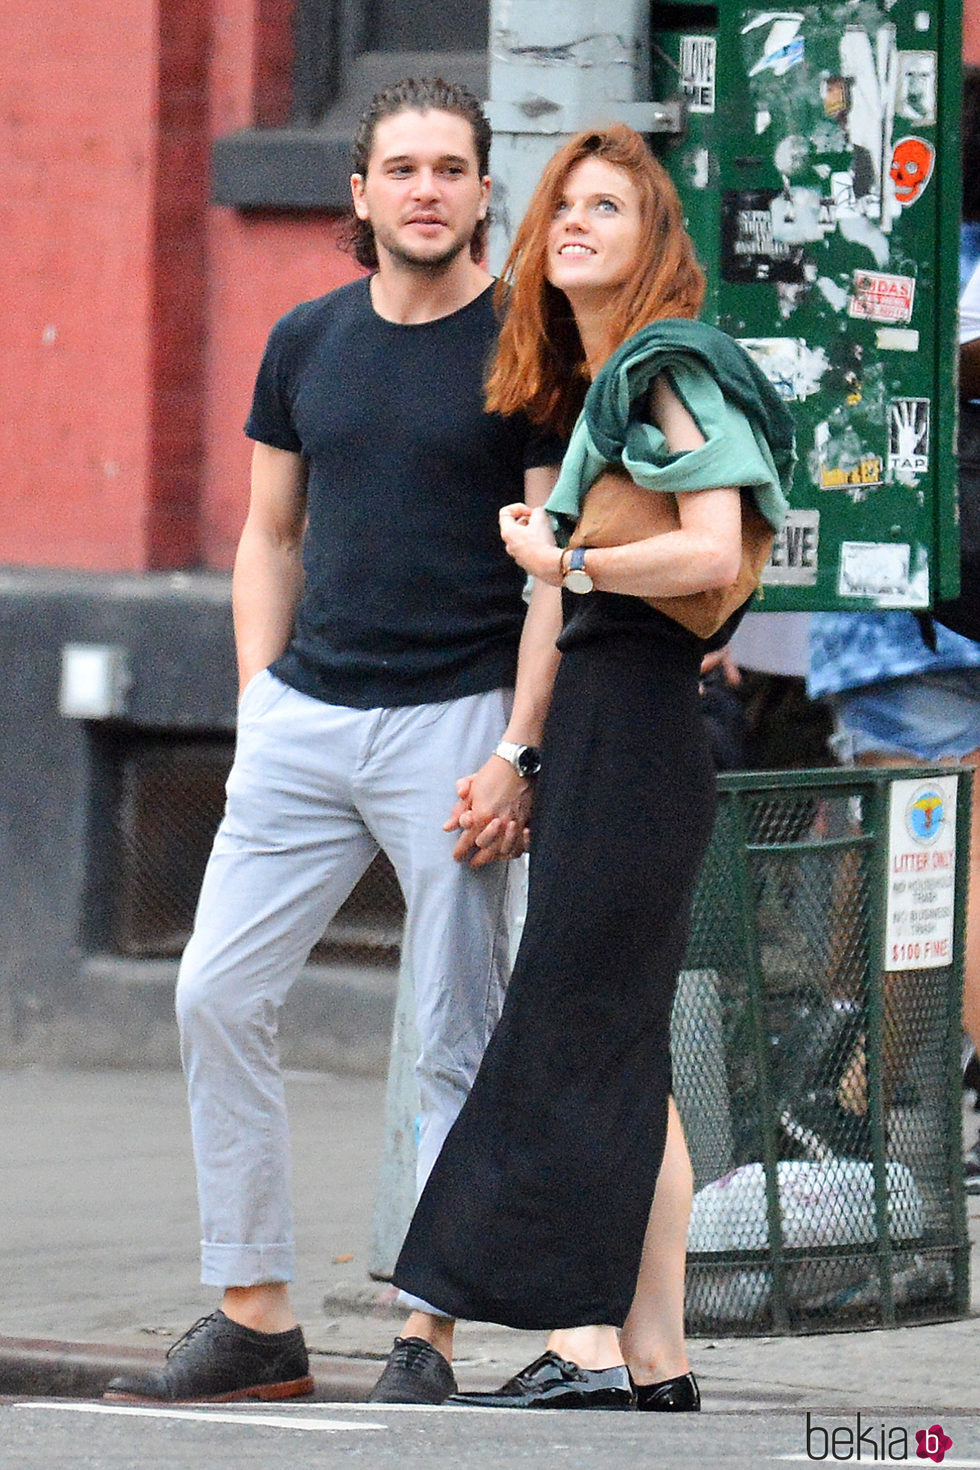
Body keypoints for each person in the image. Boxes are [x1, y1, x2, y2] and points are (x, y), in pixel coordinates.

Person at [103, 77, 563, 1406]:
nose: (427, 189)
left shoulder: (526, 346)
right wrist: (259, 697)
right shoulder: (305, 339)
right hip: (305, 715)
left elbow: (552, 572)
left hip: (457, 723)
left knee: (452, 1027)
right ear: (358, 195)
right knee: (215, 991)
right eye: (403, 168)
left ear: (485, 191)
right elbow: (266, 533)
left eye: (451, 168)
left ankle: (427, 1328)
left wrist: (518, 749)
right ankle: (256, 1317)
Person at [368, 123, 793, 1409]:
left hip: (642, 720)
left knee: (574, 1031)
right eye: (560, 205)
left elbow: (711, 552)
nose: (571, 223)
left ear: (652, 240)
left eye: (604, 205)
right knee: (619, 1043)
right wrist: (528, 739)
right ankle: (653, 1360)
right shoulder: (611, 381)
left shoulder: (668, 364)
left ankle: (589, 1343)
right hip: (614, 727)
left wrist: (569, 563)